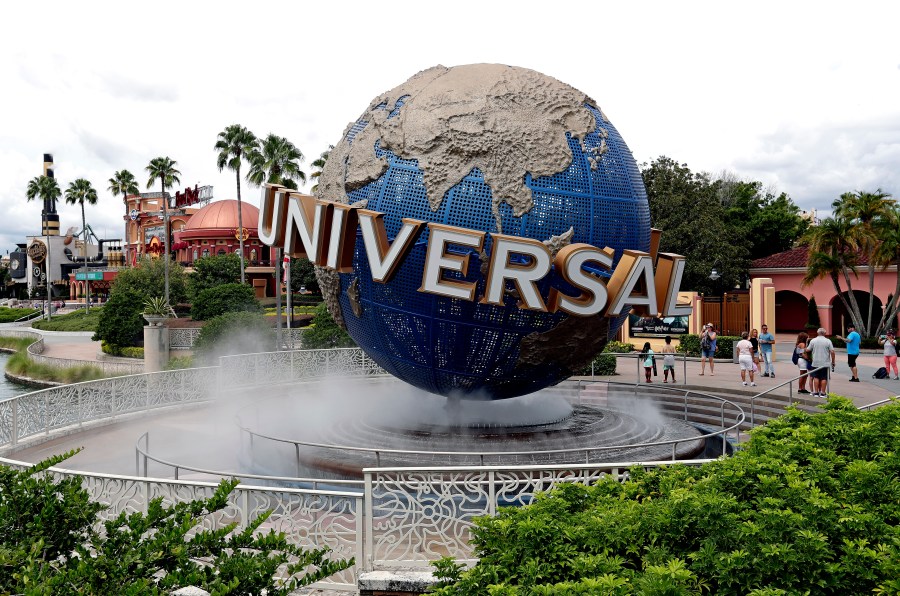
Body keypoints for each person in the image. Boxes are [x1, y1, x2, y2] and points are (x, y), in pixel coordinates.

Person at [806, 327, 835, 397]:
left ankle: (816, 392)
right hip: (825, 363)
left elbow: (807, 350)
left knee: (816, 377)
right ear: (825, 333)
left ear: (817, 333)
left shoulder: (813, 340)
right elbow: (832, 352)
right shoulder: (828, 341)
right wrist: (833, 361)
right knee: (824, 378)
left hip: (815, 362)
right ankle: (822, 393)